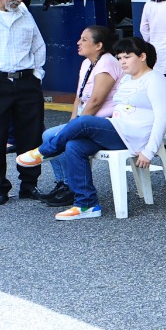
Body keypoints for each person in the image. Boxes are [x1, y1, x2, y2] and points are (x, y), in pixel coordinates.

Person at [16, 36, 166, 220]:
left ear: (142, 56)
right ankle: (87, 204)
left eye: (127, 57)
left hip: (133, 136)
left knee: (84, 122)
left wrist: (149, 151)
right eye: (119, 58)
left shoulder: (154, 80)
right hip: (117, 130)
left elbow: (163, 118)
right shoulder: (127, 80)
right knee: (74, 146)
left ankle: (45, 152)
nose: (122, 62)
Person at [0, 0, 48, 205]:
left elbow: (38, 45)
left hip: (26, 81)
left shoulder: (24, 12)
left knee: (31, 135)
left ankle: (29, 185)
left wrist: (37, 75)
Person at [41, 25, 121, 207]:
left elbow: (96, 101)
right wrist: (72, 122)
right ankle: (64, 184)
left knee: (52, 136)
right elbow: (79, 97)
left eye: (84, 39)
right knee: (51, 135)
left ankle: (70, 187)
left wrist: (76, 126)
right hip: (85, 119)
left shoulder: (107, 63)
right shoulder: (87, 63)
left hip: (102, 123)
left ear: (98, 45)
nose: (78, 42)